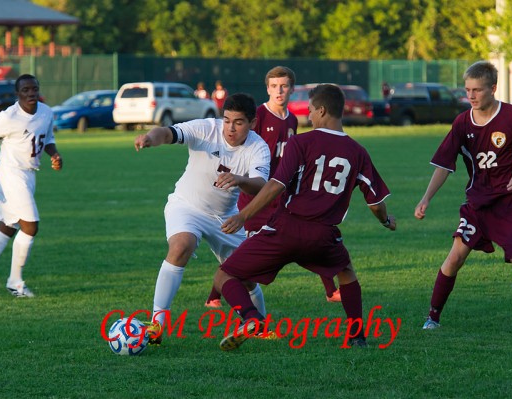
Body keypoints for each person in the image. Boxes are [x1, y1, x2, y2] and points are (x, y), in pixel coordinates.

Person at [212, 84, 396, 351]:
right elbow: (376, 203)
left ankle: (252, 319)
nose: (309, 116)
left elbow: (276, 184)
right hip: (324, 235)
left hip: (286, 227)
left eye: (311, 110)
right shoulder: (358, 152)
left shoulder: (302, 141)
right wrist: (385, 221)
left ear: (321, 110)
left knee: (223, 275)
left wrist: (243, 215)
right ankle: (357, 337)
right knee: (346, 273)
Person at [415, 61, 512, 329]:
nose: (471, 96)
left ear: (493, 88)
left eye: (477, 90)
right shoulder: (462, 123)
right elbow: (444, 164)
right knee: (454, 259)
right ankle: (433, 317)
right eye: (467, 90)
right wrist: (426, 198)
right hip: (478, 203)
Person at [133, 93, 271, 344]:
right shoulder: (206, 128)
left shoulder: (258, 147)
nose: (230, 128)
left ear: (252, 123)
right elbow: (166, 132)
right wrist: (149, 138)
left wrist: (239, 180)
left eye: (238, 122)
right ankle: (157, 324)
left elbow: (260, 184)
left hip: (226, 218)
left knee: (247, 278)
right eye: (227, 119)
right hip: (187, 206)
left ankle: (259, 325)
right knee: (181, 245)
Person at [204, 66, 340, 308]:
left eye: (284, 85)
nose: (279, 90)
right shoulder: (258, 115)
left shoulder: (291, 119)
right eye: (274, 86)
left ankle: (331, 290)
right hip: (257, 194)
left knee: (310, 231)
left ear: (291, 89)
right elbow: (238, 144)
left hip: (281, 192)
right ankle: (215, 295)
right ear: (267, 88)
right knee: (247, 250)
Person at [0, 74, 62, 298]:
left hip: (29, 175)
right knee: (31, 226)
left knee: (8, 227)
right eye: (25, 90)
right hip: (10, 173)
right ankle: (15, 283)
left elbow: (46, 140)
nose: (31, 93)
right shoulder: (7, 117)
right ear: (18, 94)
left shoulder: (46, 112)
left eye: (34, 89)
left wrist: (54, 154)